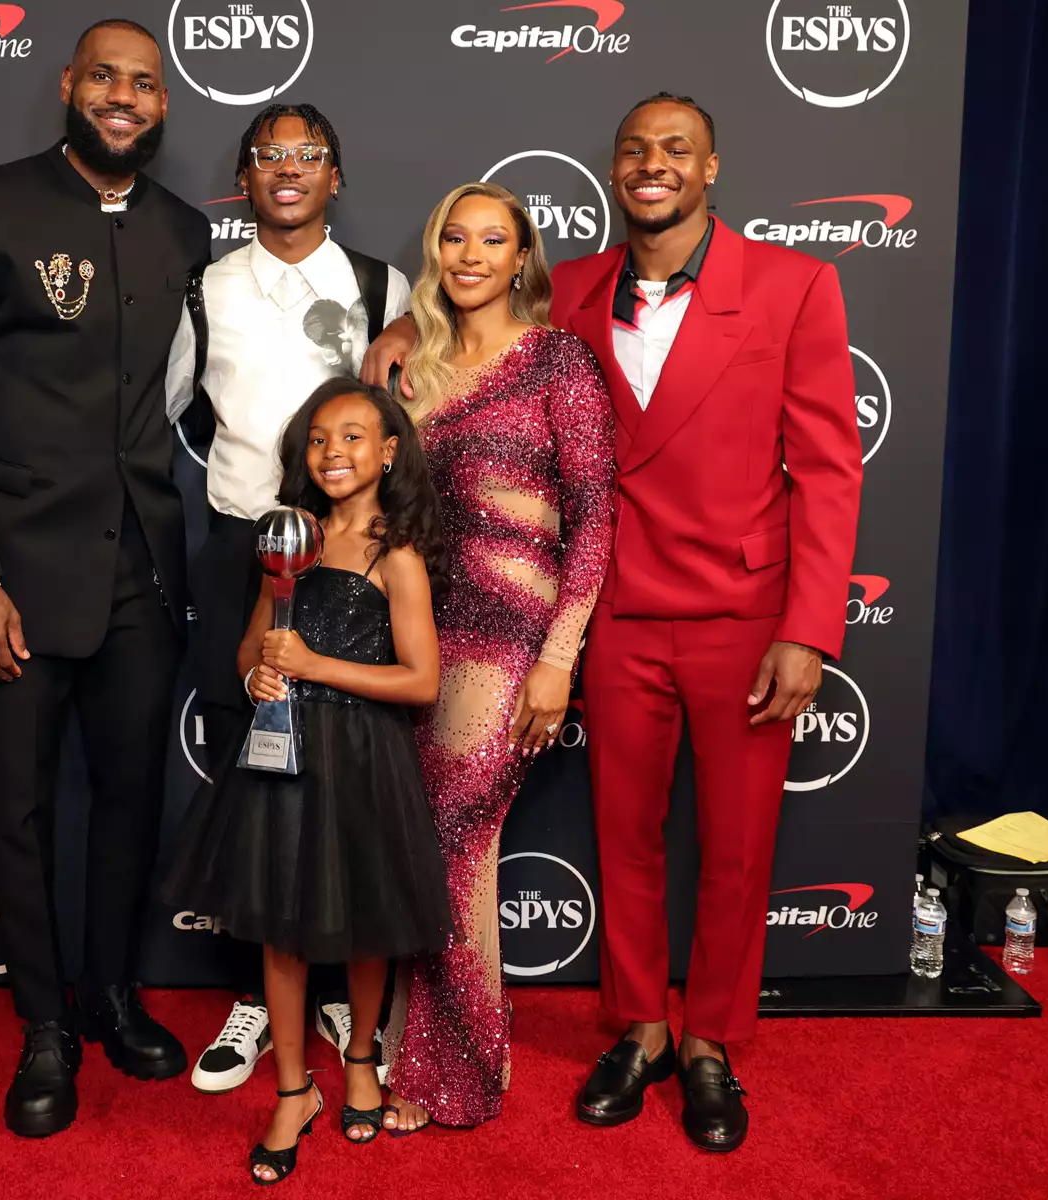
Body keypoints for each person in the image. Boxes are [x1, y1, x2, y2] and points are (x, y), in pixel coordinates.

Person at [364, 94, 863, 1151]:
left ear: (711, 166)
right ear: (614, 170)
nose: (653, 165)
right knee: (625, 838)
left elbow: (826, 467)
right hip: (616, 616)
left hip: (744, 613)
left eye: (675, 149)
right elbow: (476, 311)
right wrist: (408, 324)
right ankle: (639, 1029)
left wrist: (810, 627)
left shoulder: (794, 284)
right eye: (636, 149)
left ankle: (710, 1045)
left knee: (735, 846)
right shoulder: (575, 287)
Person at [0, 19, 209, 1137]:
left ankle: (113, 994)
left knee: (131, 800)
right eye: (107, 78)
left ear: (162, 105)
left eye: (145, 83)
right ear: (70, 88)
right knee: (21, 809)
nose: (125, 97)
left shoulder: (184, 230)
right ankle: (43, 1027)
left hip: (142, 569)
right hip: (19, 577)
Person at [163, 104, 411, 1093]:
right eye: (269, 156)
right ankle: (263, 1002)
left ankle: (346, 999)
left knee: (349, 773)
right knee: (251, 775)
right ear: (245, 176)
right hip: (244, 549)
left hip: (349, 558)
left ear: (336, 176)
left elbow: (404, 410)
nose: (289, 170)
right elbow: (169, 413)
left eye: (309, 155)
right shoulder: (206, 288)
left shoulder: (378, 285)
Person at [160, 379, 454, 1184]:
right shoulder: (288, 540)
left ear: (389, 452)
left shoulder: (395, 553)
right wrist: (258, 675)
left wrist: (318, 667)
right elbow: (251, 652)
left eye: (355, 438)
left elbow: (422, 681)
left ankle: (360, 1059)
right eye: (319, 440)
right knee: (281, 929)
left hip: (363, 758)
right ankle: (293, 1090)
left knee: (366, 922)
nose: (334, 454)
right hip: (282, 758)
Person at [376, 182, 616, 1131]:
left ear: (523, 259)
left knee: (455, 841)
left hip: (514, 643)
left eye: (493, 241)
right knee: (430, 844)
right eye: (454, 239)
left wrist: (561, 656)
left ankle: (456, 1071)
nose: (471, 256)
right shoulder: (415, 370)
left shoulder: (558, 358)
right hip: (421, 639)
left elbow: (596, 514)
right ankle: (426, 1052)